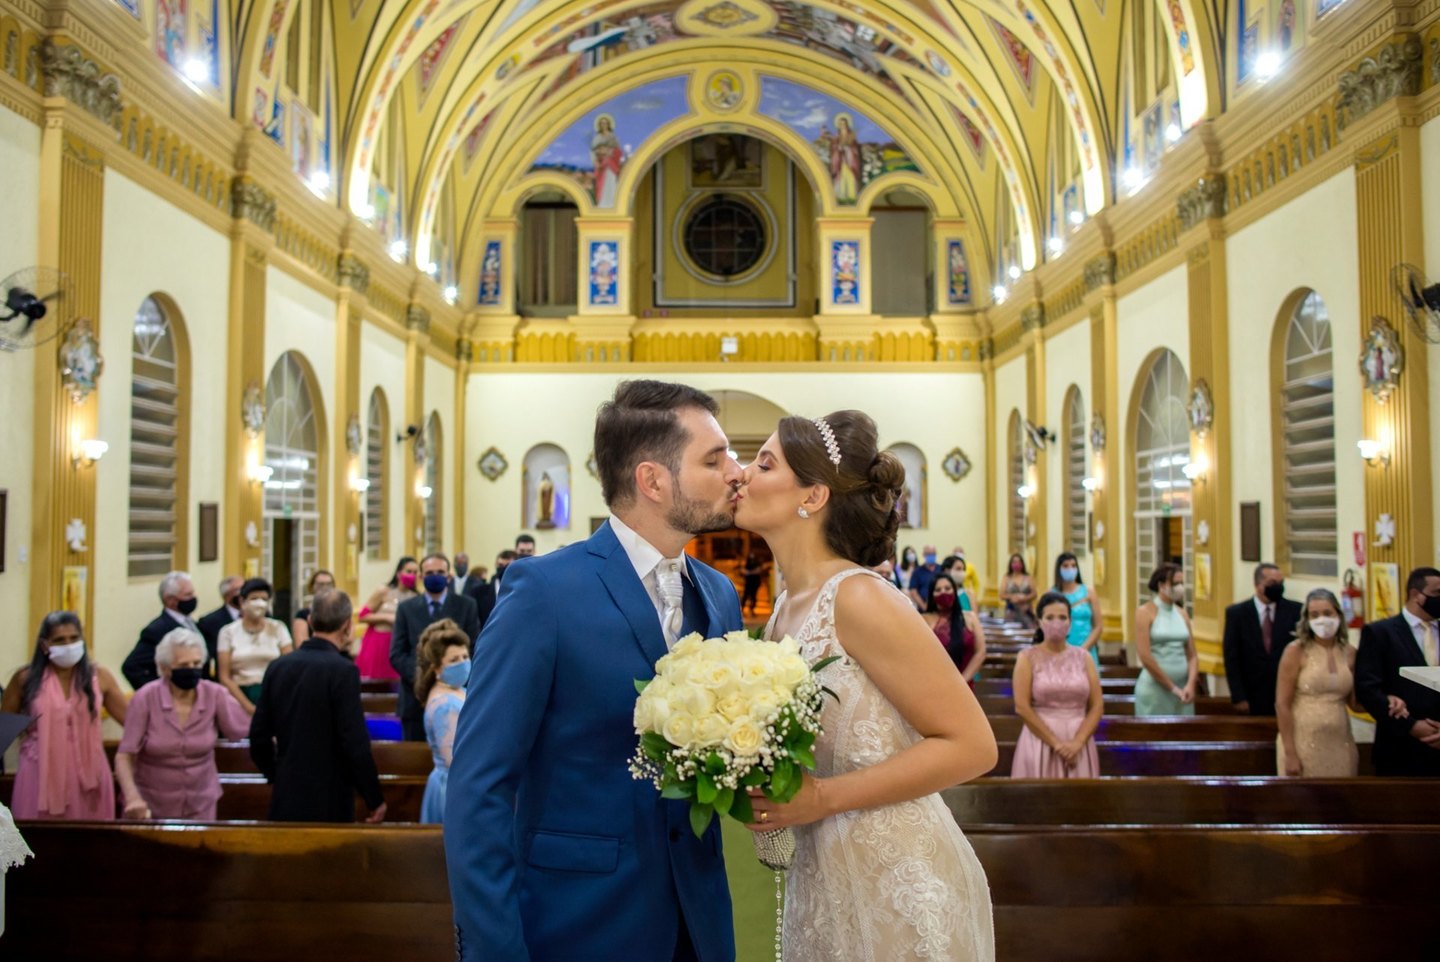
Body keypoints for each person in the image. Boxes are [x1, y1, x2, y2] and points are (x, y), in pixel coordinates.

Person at [445, 380, 744, 961]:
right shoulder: (545, 593)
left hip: (699, 919)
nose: (737, 472)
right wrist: (495, 950)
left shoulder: (717, 594)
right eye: (715, 458)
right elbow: (479, 787)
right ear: (653, 480)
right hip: (580, 920)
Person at [737, 410, 996, 961]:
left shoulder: (860, 598)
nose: (741, 473)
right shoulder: (785, 609)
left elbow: (974, 745)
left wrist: (822, 798)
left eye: (763, 463)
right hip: (826, 877)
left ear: (812, 495)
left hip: (901, 883)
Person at [248, 589, 386, 823]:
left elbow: (258, 736)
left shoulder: (278, 667)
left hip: (287, 790)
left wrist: (275, 775)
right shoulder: (343, 671)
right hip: (331, 794)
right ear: (346, 626)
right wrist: (373, 797)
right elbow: (354, 741)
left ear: (310, 622)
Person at [114, 628, 251, 819]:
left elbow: (241, 730)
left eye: (196, 663)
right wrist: (132, 797)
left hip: (201, 802)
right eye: (184, 665)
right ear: (165, 668)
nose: (192, 669)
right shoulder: (146, 697)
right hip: (152, 803)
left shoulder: (215, 694)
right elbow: (125, 755)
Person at [2, 612, 128, 819]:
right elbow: (4, 728)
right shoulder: (25, 679)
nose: (68, 645)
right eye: (59, 640)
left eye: (74, 638)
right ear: (45, 645)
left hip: (89, 773)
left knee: (91, 842)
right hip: (39, 771)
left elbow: (132, 723)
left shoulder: (100, 676)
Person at [1355, 566, 1440, 777]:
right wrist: (1411, 726)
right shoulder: (1380, 633)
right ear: (1415, 594)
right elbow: (1367, 688)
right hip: (1400, 748)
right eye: (1437, 593)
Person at [1010, 592, 1102, 778]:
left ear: (1070, 622)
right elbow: (1022, 707)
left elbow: (1097, 706)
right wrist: (1056, 744)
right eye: (1050, 617)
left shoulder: (1083, 657)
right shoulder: (1027, 657)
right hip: (1040, 740)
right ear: (1039, 622)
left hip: (1079, 741)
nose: (1056, 622)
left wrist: (1078, 742)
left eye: (1062, 617)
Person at [390, 553, 481, 742]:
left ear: (449, 576)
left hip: (456, 697)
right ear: (421, 577)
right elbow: (397, 653)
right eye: (430, 572)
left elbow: (474, 647)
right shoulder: (406, 609)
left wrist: (452, 674)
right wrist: (425, 675)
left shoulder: (466, 605)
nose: (435, 576)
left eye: (440, 572)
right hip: (415, 699)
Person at [1275, 589, 1358, 777]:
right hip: (1302, 741)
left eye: (1327, 613)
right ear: (1307, 619)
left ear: (1338, 614)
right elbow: (1282, 705)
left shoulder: (1349, 652)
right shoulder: (1295, 651)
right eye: (1315, 615)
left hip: (1339, 741)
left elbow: (1355, 702)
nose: (1322, 619)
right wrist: (1290, 753)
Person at [1223, 563, 1303, 715]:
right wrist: (1238, 696)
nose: (1277, 587)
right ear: (1257, 584)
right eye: (1272, 583)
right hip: (1252, 692)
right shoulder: (1237, 614)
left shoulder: (1295, 611)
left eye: (1280, 584)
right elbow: (1231, 657)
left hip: (1286, 691)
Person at [414, 618, 470, 824]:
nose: (463, 663)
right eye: (454, 660)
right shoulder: (444, 705)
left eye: (465, 656)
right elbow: (455, 761)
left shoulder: (454, 690)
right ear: (437, 668)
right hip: (453, 786)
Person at [217, 578, 294, 713]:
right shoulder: (227, 632)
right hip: (239, 695)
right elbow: (225, 676)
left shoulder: (278, 628)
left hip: (273, 693)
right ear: (242, 601)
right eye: (254, 598)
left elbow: (289, 666)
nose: (259, 603)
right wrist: (248, 707)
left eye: (264, 599)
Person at [1133, 564, 1198, 716]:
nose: (1180, 587)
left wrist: (1190, 684)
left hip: (1183, 690)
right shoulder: (1145, 612)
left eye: (1182, 583)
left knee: (1183, 736)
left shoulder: (1182, 614)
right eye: (1175, 584)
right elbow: (1145, 656)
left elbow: (1192, 655)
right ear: (1161, 585)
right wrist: (1172, 688)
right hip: (1155, 689)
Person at [122, 570, 200, 690]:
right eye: (188, 595)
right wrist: (158, 692)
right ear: (170, 600)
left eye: (193, 593)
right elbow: (131, 667)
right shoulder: (157, 630)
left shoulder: (190, 622)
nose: (193, 598)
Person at [356, 556, 417, 681]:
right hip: (379, 641)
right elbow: (362, 616)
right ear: (399, 573)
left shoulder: (415, 597)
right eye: (408, 571)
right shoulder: (384, 591)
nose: (412, 575)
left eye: (415, 572)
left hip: (400, 643)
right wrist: (387, 618)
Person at [922, 573, 987, 687]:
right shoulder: (924, 619)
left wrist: (962, 681)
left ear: (955, 591)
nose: (943, 592)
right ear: (932, 595)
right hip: (935, 684)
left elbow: (980, 652)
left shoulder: (970, 617)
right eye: (938, 590)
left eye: (947, 588)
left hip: (965, 685)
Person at [1055, 552, 1103, 665]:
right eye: (1065, 566)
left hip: (1086, 648)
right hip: (1060, 650)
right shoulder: (1052, 594)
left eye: (1073, 565)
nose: (1070, 569)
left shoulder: (1089, 592)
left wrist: (1083, 649)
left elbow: (1098, 627)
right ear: (1059, 569)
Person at [195, 575, 242, 678]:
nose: (243, 593)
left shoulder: (263, 615)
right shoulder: (209, 622)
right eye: (237, 590)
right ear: (226, 595)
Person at [290, 570, 336, 645]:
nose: (325, 588)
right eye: (320, 585)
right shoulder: (303, 615)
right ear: (312, 587)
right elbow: (301, 644)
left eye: (328, 584)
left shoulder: (339, 613)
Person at [906, 545, 942, 611]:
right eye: (928, 554)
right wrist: (924, 607)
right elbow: (913, 591)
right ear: (924, 555)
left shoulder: (941, 569)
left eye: (933, 554)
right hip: (923, 608)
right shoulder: (917, 571)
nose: (931, 556)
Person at [741, 551, 770, 617]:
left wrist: (749, 572)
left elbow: (759, 570)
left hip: (755, 582)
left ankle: (751, 610)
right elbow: (743, 570)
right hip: (748, 582)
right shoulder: (747, 562)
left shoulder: (757, 562)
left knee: (753, 596)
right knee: (746, 596)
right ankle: (743, 610)